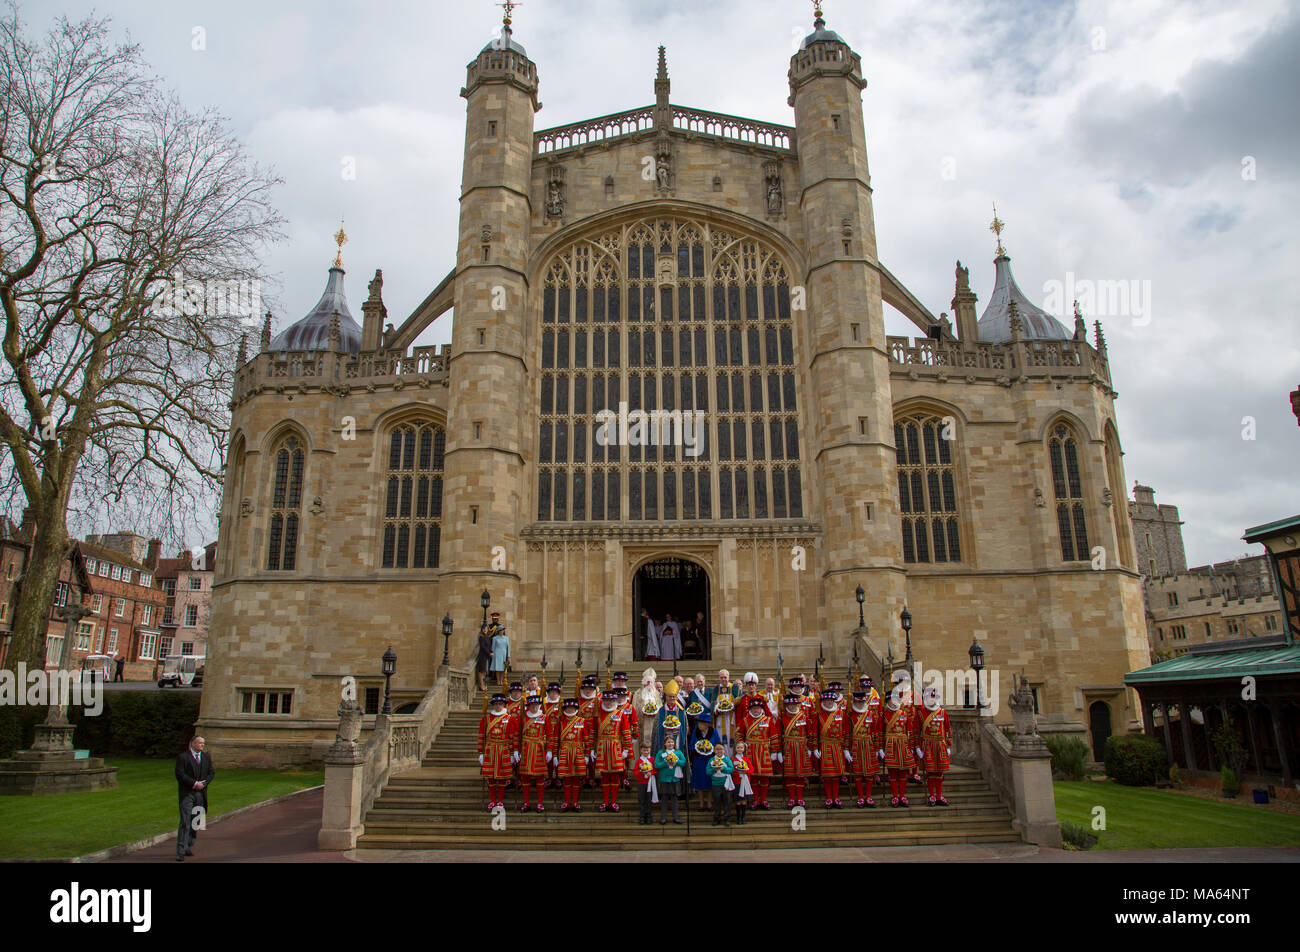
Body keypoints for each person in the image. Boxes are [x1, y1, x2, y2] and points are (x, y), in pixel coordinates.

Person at [174, 735, 214, 862]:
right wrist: (194, 783)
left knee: (196, 822)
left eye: (203, 743)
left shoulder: (206, 757)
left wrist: (204, 783)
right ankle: (180, 851)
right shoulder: (183, 757)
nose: (202, 745)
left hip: (201, 794)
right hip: (187, 794)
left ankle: (188, 846)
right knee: (185, 822)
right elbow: (180, 774)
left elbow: (211, 773)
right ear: (192, 743)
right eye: (199, 743)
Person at [477, 693, 518, 811]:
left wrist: (513, 752)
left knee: (502, 777)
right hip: (490, 749)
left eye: (500, 704)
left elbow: (514, 737)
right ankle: (492, 800)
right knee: (491, 777)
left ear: (504, 705)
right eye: (496, 704)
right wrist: (481, 752)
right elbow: (481, 736)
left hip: (503, 749)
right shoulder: (486, 719)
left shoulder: (510, 719)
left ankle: (500, 801)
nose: (498, 706)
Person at [594, 690, 632, 812]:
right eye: (607, 701)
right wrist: (591, 749)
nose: (609, 703)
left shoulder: (621, 714)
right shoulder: (598, 715)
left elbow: (626, 733)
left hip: (615, 747)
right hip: (602, 747)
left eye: (611, 701)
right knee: (604, 776)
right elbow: (593, 733)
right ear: (603, 701)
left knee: (615, 776)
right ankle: (605, 802)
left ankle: (614, 802)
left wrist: (626, 749)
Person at [738, 695, 778, 809]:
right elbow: (738, 735)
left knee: (765, 777)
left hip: (764, 751)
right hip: (750, 751)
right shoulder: (745, 721)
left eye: (758, 708)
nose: (756, 710)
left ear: (762, 709)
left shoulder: (768, 720)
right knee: (753, 777)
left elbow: (774, 736)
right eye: (754, 708)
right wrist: (742, 746)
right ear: (750, 709)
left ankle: (764, 800)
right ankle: (756, 800)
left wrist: (775, 751)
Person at [847, 689, 883, 807]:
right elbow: (847, 734)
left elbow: (875, 732)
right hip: (856, 746)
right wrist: (846, 750)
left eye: (862, 702)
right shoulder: (850, 716)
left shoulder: (870, 715)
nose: (860, 704)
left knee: (869, 773)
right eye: (857, 702)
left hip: (868, 745)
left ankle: (868, 796)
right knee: (858, 774)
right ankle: (861, 797)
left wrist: (878, 749)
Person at [882, 685, 917, 808]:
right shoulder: (884, 714)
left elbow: (909, 730)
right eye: (892, 700)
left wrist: (912, 746)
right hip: (890, 744)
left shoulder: (903, 714)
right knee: (892, 772)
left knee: (903, 772)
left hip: (903, 744)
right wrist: (880, 749)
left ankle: (902, 795)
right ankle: (895, 796)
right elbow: (881, 732)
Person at [814, 688, 848, 808]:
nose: (829, 702)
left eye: (831, 700)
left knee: (837, 774)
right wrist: (814, 748)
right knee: (828, 775)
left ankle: (836, 797)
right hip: (825, 746)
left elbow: (845, 731)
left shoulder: (841, 713)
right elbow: (814, 733)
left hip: (837, 746)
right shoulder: (818, 714)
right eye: (827, 700)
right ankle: (829, 797)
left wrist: (846, 749)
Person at [778, 692, 814, 808]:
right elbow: (778, 735)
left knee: (800, 774)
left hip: (801, 747)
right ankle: (792, 798)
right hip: (788, 748)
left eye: (794, 704)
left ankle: (799, 798)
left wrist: (811, 748)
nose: (792, 707)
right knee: (790, 775)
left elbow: (810, 733)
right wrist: (779, 751)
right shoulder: (782, 717)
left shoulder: (803, 717)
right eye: (789, 705)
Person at [919, 686, 953, 806]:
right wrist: (918, 748)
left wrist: (948, 745)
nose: (931, 700)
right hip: (928, 745)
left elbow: (948, 729)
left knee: (939, 773)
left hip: (940, 745)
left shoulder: (943, 712)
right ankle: (932, 795)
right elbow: (916, 731)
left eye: (933, 697)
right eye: (929, 698)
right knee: (930, 772)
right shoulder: (921, 713)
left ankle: (939, 795)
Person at [555, 697, 591, 812]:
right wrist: (555, 755)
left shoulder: (582, 721)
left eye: (572, 708)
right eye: (568, 708)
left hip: (578, 752)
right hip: (565, 752)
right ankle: (566, 802)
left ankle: (575, 802)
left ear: (575, 708)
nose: (570, 710)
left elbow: (587, 739)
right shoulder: (560, 722)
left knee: (576, 778)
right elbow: (555, 739)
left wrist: (587, 754)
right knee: (566, 779)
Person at [518, 694, 551, 812]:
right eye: (532, 705)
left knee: (539, 777)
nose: (534, 707)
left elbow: (550, 735)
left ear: (539, 706)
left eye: (536, 705)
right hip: (526, 749)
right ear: (528, 706)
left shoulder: (544, 717)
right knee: (525, 777)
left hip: (539, 749)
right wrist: (517, 751)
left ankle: (540, 803)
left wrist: (550, 751)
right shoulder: (523, 717)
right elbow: (518, 735)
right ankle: (526, 802)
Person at [688, 713, 721, 810]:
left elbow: (718, 744)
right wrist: (696, 750)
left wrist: (713, 751)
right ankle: (701, 803)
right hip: (698, 760)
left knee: (709, 781)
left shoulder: (713, 732)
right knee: (699, 781)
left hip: (709, 760)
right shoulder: (695, 732)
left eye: (701, 723)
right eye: (699, 723)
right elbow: (691, 744)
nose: (699, 725)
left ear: (706, 724)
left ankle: (710, 802)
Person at [655, 735, 686, 825]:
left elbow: (684, 762)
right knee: (664, 798)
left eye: (672, 742)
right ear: (665, 744)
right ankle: (663, 817)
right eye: (668, 742)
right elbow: (656, 765)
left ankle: (675, 817)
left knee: (675, 798)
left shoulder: (678, 752)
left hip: (675, 778)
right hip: (664, 778)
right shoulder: (660, 753)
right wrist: (665, 763)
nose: (670, 744)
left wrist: (676, 762)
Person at [707, 669, 740, 750]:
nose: (723, 679)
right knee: (721, 739)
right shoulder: (716, 689)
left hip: (732, 719)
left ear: (728, 677)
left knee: (732, 739)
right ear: (719, 678)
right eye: (721, 677)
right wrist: (717, 709)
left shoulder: (735, 688)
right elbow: (713, 704)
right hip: (720, 720)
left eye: (725, 677)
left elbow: (739, 701)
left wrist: (732, 706)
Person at [707, 740, 734, 827]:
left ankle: (727, 819)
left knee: (727, 801)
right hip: (715, 783)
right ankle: (716, 818)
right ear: (714, 750)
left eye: (721, 749)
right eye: (717, 749)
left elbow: (731, 769)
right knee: (717, 802)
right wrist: (714, 769)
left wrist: (723, 769)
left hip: (725, 783)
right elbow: (707, 771)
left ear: (724, 750)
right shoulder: (712, 760)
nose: (719, 751)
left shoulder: (726, 759)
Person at [543, 682, 564, 788]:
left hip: (560, 733)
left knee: (559, 757)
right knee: (549, 758)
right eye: (551, 692)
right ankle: (549, 777)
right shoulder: (544, 705)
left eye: (555, 692)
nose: (553, 694)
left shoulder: (562, 704)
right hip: (548, 735)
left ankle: (558, 777)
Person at [633, 741, 657, 825]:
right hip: (641, 782)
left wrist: (652, 773)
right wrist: (641, 772)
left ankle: (649, 816)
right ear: (641, 751)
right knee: (642, 799)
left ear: (650, 750)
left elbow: (656, 770)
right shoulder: (639, 760)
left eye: (647, 750)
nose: (646, 752)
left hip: (650, 782)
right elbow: (635, 771)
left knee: (648, 799)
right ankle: (642, 816)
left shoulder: (652, 759)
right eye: (644, 750)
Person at [732, 740, 753, 826]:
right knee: (738, 801)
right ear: (735, 749)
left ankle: (743, 817)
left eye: (741, 747)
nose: (740, 749)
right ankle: (738, 817)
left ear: (744, 749)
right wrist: (738, 772)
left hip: (745, 782)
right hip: (737, 781)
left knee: (744, 801)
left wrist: (745, 771)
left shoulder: (746, 759)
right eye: (738, 747)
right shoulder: (733, 759)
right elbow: (732, 770)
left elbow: (751, 770)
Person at [489, 616, 510, 687]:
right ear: (498, 631)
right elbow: (493, 647)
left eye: (503, 630)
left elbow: (508, 647)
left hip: (504, 654)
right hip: (497, 653)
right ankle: (498, 681)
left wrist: (508, 656)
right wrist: (492, 654)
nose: (502, 631)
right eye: (501, 630)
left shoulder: (506, 638)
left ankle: (502, 680)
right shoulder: (495, 638)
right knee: (498, 668)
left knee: (503, 668)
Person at [475, 625, 492, 691]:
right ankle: (481, 685)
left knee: (484, 671)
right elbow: (483, 647)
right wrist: (489, 653)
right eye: (484, 629)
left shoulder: (487, 637)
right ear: (482, 630)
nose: (485, 630)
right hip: (482, 656)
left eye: (486, 629)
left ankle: (483, 684)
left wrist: (491, 652)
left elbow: (488, 646)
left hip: (486, 656)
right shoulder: (481, 637)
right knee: (481, 671)